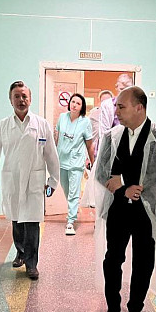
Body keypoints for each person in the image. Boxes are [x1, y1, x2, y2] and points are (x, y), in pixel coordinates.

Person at [94, 86, 156, 312]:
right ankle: (113, 309)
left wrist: (122, 181)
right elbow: (101, 172)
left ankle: (135, 310)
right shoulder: (111, 137)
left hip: (148, 211)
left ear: (139, 107)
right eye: (116, 106)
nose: (116, 112)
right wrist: (123, 189)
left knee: (144, 263)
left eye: (121, 107)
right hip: (118, 209)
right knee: (113, 260)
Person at [0, 81, 60, 280]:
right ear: (10, 100)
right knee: (17, 220)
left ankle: (31, 264)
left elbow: (51, 155)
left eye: (24, 96)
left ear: (30, 99)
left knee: (32, 223)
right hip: (13, 180)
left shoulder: (41, 125)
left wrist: (53, 181)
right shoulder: (2, 126)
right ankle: (20, 252)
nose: (21, 100)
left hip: (34, 180)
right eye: (16, 96)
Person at [54, 93, 94, 235]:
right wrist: (53, 155)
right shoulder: (62, 117)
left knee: (73, 192)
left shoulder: (85, 122)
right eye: (73, 102)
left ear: (82, 107)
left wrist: (92, 162)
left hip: (76, 161)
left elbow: (89, 144)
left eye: (78, 103)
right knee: (66, 189)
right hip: (62, 160)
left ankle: (70, 222)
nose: (74, 105)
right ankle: (74, 207)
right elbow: (57, 137)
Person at [81, 89, 113, 209]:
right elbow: (88, 137)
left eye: (108, 101)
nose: (105, 104)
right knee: (95, 178)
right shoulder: (94, 115)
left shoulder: (117, 114)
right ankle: (94, 202)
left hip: (111, 152)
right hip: (96, 150)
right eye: (103, 101)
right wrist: (87, 157)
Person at [98, 73, 134, 142]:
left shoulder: (135, 106)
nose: (125, 92)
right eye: (121, 89)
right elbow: (103, 132)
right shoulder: (107, 105)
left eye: (128, 89)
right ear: (116, 88)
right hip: (111, 144)